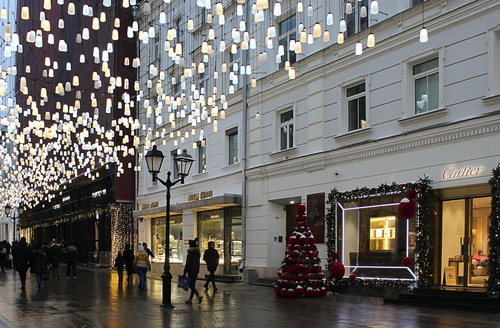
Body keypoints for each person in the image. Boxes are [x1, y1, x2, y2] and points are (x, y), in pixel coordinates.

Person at [183, 239, 203, 304]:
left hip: (190, 270)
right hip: (196, 270)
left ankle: (198, 295)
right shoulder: (197, 253)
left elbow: (188, 263)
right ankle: (190, 299)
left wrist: (185, 272)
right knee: (193, 284)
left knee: (190, 284)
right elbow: (198, 262)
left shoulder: (190, 253)